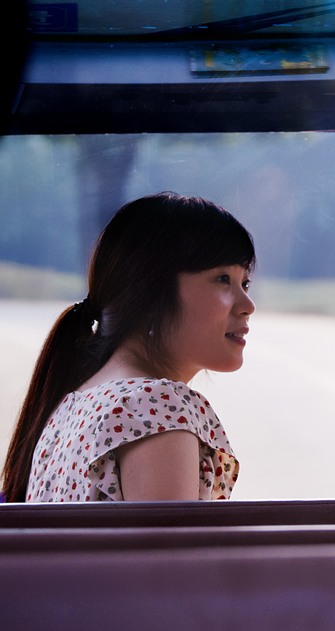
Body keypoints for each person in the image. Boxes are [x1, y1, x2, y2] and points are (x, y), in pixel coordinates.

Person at [1, 192, 255, 503]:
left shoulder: (73, 404)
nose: (247, 306)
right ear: (149, 293)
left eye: (245, 283)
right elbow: (168, 553)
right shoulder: (159, 407)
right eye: (222, 279)